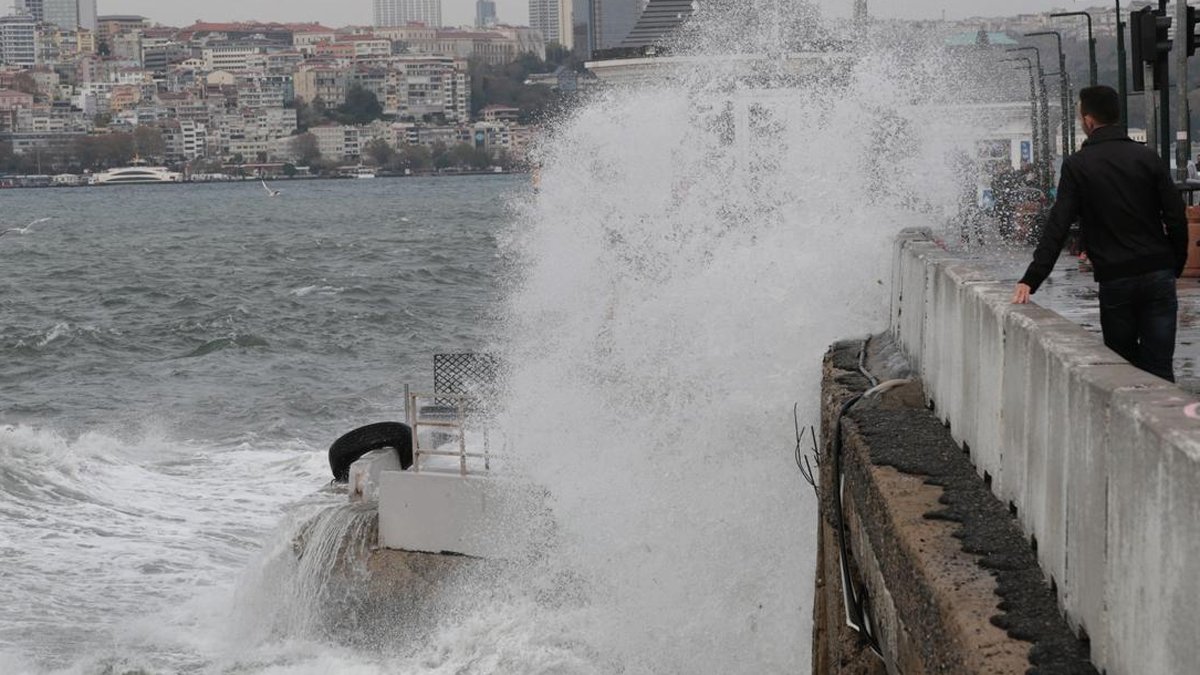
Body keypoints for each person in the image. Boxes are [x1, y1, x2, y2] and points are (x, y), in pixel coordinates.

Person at [1011, 85, 1188, 382]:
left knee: (1123, 370)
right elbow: (1175, 216)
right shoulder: (1148, 157)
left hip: (1116, 277)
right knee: (1159, 369)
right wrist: (1175, 263)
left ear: (1088, 120)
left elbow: (1058, 225)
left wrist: (1032, 278)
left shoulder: (1078, 165)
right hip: (1158, 272)